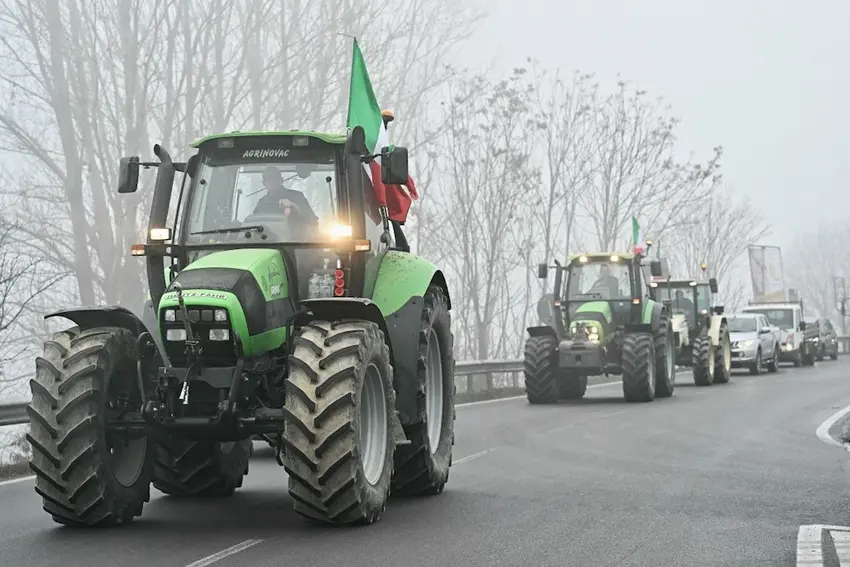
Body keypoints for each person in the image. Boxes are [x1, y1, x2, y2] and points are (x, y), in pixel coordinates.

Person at [252, 166, 319, 225]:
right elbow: (254, 224)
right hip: (268, 239)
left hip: (297, 239)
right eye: (269, 179)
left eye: (275, 178)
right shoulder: (261, 203)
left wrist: (295, 207)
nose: (273, 182)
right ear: (264, 183)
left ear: (281, 180)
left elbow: (313, 222)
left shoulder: (297, 197)